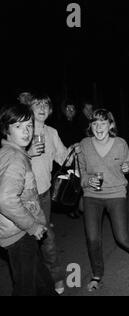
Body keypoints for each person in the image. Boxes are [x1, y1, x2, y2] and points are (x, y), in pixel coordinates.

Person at [78, 108, 129, 292]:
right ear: (90, 126)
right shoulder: (84, 145)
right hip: (92, 196)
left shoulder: (120, 143)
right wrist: (87, 180)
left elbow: (128, 164)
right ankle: (96, 274)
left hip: (116, 194)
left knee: (123, 237)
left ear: (110, 125)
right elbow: (82, 173)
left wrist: (128, 167)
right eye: (95, 123)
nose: (98, 127)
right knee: (93, 239)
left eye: (103, 123)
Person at [0, 103, 57, 296]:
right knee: (26, 289)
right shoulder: (15, 157)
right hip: (19, 233)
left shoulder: (8, 152)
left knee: (43, 285)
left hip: (17, 231)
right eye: (18, 126)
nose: (26, 132)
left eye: (29, 126)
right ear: (6, 129)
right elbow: (5, 199)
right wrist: (32, 226)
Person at [27, 93, 71, 295]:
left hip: (43, 194)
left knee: (47, 239)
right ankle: (33, 281)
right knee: (27, 243)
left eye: (46, 104)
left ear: (51, 110)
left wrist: (75, 153)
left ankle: (55, 279)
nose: (42, 108)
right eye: (37, 104)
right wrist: (28, 153)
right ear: (30, 108)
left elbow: (63, 157)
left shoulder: (52, 132)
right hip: (23, 196)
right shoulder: (22, 129)